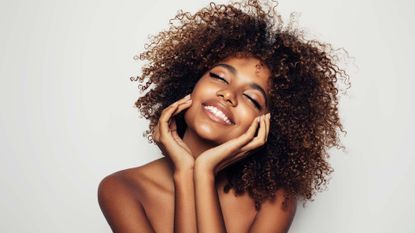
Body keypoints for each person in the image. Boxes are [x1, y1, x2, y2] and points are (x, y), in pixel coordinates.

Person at [97, 0, 348, 232]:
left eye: (252, 98)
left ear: (267, 124)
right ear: (191, 83)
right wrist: (186, 172)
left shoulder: (273, 200)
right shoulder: (123, 189)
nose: (228, 95)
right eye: (218, 77)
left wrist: (202, 172)